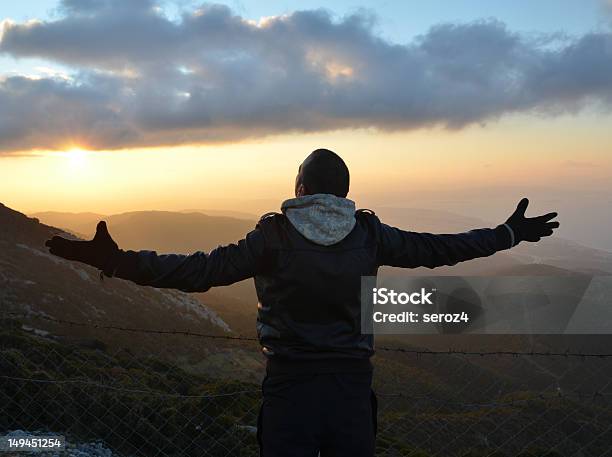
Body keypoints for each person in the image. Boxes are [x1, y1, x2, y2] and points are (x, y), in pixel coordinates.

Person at [45, 148, 559, 457]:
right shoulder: (369, 232)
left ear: (300, 187)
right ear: (344, 193)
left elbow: (196, 270)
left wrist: (115, 261)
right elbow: (438, 249)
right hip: (352, 390)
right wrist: (507, 233)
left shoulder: (271, 236)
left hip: (289, 387)